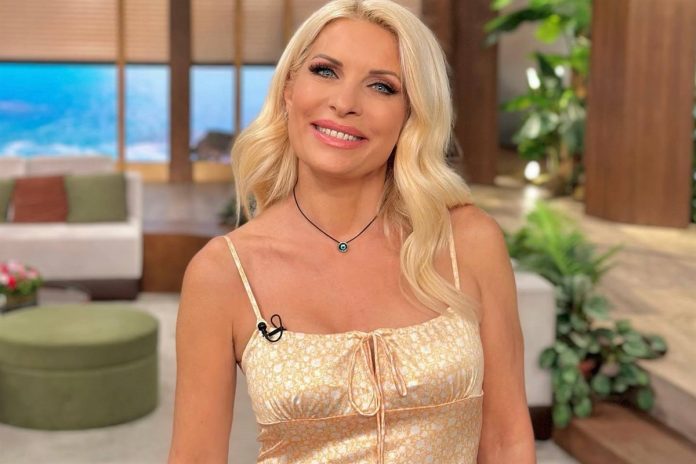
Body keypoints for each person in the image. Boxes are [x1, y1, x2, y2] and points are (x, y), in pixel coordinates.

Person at [169, 0, 535, 462]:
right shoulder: (223, 272)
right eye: (325, 71)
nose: (344, 103)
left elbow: (506, 439)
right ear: (288, 89)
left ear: (412, 115)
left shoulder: (469, 241)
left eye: (382, 86)